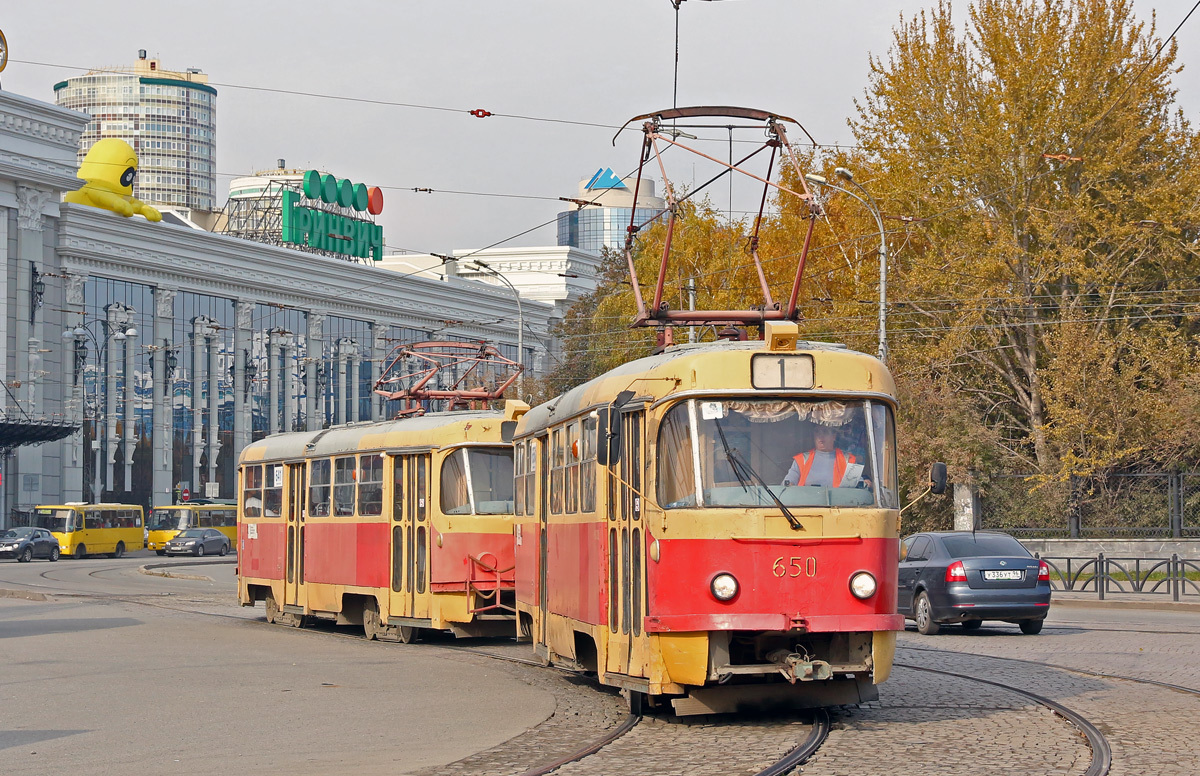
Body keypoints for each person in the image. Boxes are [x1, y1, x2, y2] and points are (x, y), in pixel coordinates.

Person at [782, 425, 868, 488]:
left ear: (834, 436)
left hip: (839, 509)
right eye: (817, 432)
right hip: (804, 509)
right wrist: (789, 485)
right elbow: (787, 483)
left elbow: (858, 486)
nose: (820, 436)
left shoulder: (848, 459)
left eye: (825, 432)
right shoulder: (801, 460)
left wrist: (865, 484)